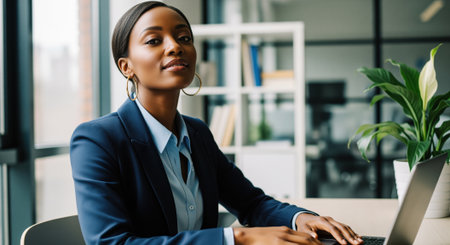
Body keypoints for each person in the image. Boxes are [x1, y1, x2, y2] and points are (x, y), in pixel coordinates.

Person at [70, 1, 363, 244]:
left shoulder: (196, 133)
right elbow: (112, 243)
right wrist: (237, 239)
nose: (175, 47)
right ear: (126, 66)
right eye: (154, 40)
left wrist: (302, 218)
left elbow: (250, 203)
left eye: (184, 38)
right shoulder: (97, 140)